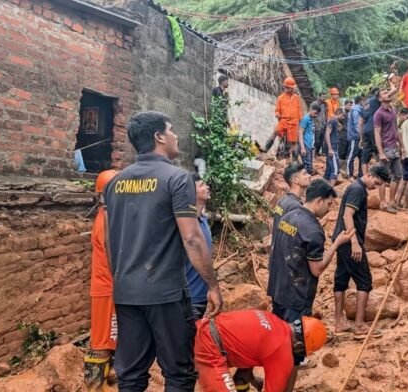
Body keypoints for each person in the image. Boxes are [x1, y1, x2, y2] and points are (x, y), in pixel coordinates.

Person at [104, 111, 222, 392]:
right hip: (166, 294)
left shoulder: (114, 183)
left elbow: (110, 242)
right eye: (171, 130)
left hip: (126, 293)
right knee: (179, 373)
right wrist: (212, 285)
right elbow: (192, 239)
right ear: (158, 137)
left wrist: (121, 279)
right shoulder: (176, 179)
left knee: (131, 376)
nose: (176, 135)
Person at [267, 179, 353, 385]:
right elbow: (317, 269)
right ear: (319, 200)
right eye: (330, 204)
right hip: (296, 297)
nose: (330, 209)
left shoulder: (287, 217)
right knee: (294, 353)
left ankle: (272, 384)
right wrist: (337, 244)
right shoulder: (313, 229)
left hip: (278, 289)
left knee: (277, 343)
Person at [194, 310, 327, 392]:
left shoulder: (272, 319)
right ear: (298, 345)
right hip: (209, 350)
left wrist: (251, 379)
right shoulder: (282, 350)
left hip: (198, 330)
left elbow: (247, 348)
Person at [333, 166, 391, 339]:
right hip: (350, 241)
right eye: (375, 182)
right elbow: (347, 215)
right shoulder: (357, 190)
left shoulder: (355, 188)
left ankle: (339, 322)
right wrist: (355, 242)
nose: (375, 186)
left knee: (341, 279)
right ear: (369, 175)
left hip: (342, 240)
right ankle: (359, 325)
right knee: (364, 280)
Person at [84, 169, 119, 392]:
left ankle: (107, 379)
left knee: (110, 337)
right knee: (102, 341)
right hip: (107, 288)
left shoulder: (106, 215)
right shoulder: (106, 218)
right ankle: (94, 386)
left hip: (109, 286)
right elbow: (111, 252)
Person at [184, 174, 213, 320]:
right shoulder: (187, 226)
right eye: (202, 185)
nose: (207, 187)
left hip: (201, 295)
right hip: (189, 297)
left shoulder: (203, 219)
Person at [374, 92, 405, 212]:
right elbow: (377, 133)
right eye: (385, 100)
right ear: (381, 100)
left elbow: (396, 129)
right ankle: (383, 202)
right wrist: (380, 152)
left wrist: (401, 145)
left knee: (397, 175)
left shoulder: (392, 111)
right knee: (383, 176)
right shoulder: (378, 114)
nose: (388, 102)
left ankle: (392, 201)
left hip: (394, 147)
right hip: (386, 147)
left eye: (389, 100)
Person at [264, 78, 303, 160]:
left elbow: (299, 111)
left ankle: (295, 161)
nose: (292, 89)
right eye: (290, 88)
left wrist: (299, 124)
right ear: (286, 87)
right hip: (283, 121)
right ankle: (264, 150)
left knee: (293, 143)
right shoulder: (280, 98)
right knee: (275, 132)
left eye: (293, 88)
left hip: (293, 123)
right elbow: (277, 111)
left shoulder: (297, 98)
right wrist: (277, 114)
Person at [271, 162, 311, 236]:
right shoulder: (296, 207)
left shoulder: (282, 200)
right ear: (296, 180)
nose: (309, 176)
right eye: (305, 174)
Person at [325, 108, 347, 186]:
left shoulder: (335, 122)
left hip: (334, 147)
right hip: (332, 148)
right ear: (339, 113)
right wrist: (330, 149)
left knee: (329, 168)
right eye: (343, 116)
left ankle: (326, 188)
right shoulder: (333, 121)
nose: (344, 118)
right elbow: (327, 134)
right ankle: (331, 190)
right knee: (335, 170)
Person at [298, 103, 321, 175]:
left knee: (309, 166)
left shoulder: (311, 119)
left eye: (317, 114)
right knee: (307, 167)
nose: (316, 115)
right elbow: (300, 133)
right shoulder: (306, 119)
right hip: (305, 145)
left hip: (309, 146)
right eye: (315, 113)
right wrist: (302, 148)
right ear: (310, 109)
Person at [346, 96, 364, 179]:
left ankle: (359, 174)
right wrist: (361, 136)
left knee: (361, 156)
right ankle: (349, 174)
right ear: (361, 101)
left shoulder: (355, 110)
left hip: (357, 137)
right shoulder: (356, 110)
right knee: (352, 156)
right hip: (356, 137)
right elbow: (357, 125)